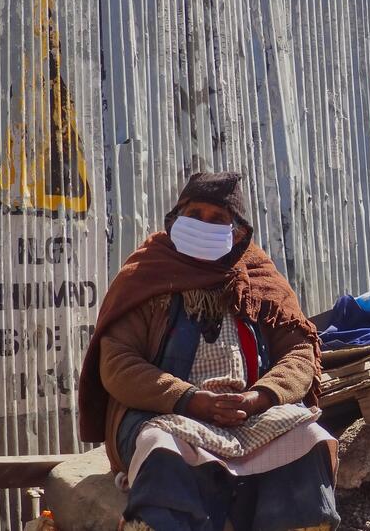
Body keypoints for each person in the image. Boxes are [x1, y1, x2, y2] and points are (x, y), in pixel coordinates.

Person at [78, 172, 340, 531]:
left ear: (237, 231)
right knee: (161, 448)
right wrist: (192, 399)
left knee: (308, 437)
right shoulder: (146, 274)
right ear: (175, 219)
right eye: (195, 214)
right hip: (164, 414)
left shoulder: (259, 279)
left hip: (249, 414)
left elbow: (299, 352)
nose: (204, 223)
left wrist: (260, 397)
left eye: (217, 218)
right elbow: (118, 364)